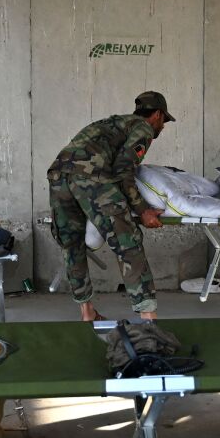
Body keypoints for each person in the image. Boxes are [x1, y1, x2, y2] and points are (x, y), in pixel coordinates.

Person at [47, 91, 174, 322]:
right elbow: (124, 169)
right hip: (91, 176)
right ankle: (148, 318)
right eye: (164, 121)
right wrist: (142, 209)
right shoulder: (143, 128)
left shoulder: (112, 123)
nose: (162, 127)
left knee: (72, 244)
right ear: (157, 115)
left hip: (58, 174)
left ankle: (87, 313)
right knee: (127, 242)